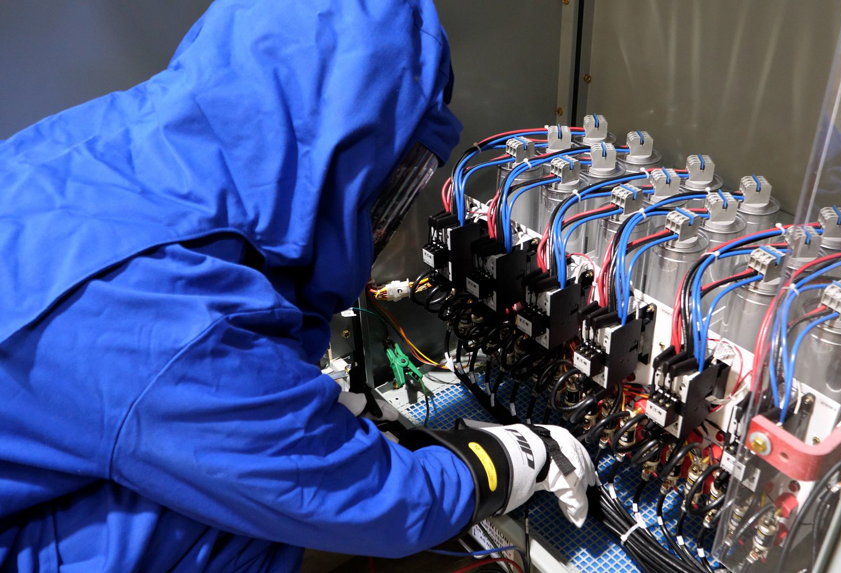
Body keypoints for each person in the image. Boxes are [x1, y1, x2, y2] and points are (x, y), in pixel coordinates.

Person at [0, 1, 595, 570]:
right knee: (234, 518)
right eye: (389, 179)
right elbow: (374, 502)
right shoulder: (169, 322)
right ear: (343, 156)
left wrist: (281, 398)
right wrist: (506, 462)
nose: (382, 216)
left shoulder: (118, 144)